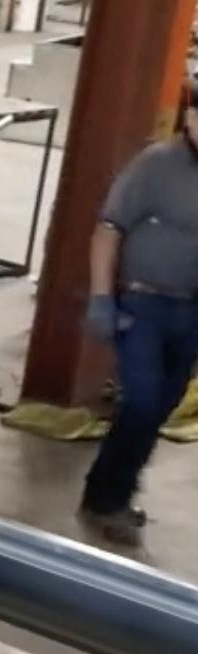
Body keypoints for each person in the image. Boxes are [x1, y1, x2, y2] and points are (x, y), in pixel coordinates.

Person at [79, 86, 198, 547]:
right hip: (143, 304)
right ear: (190, 118)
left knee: (163, 405)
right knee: (143, 401)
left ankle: (110, 490)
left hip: (190, 309)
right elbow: (109, 228)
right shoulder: (156, 165)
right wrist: (101, 298)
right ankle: (106, 500)